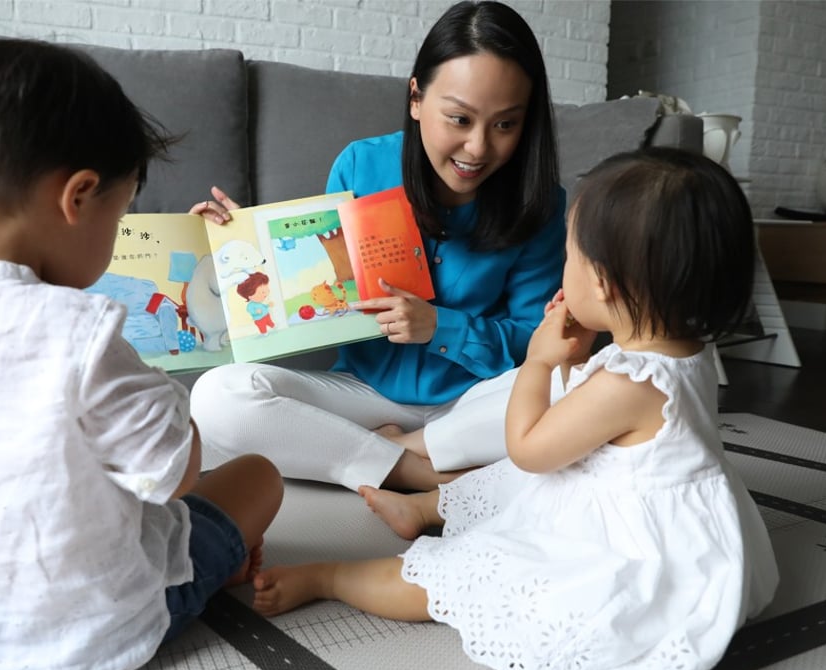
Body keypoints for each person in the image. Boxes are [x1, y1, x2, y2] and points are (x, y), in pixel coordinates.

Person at [248, 147, 780, 670]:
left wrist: (541, 362)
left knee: (467, 575)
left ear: (603, 284)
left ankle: (331, 577)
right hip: (671, 516)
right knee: (504, 484)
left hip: (627, 543)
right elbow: (595, 428)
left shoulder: (626, 383)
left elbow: (528, 449)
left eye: (570, 256)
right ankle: (424, 506)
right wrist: (572, 359)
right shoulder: (686, 351)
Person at [0, 39, 284, 670]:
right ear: (78, 196)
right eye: (120, 214)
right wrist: (161, 388)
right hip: (100, 631)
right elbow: (177, 472)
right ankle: (209, 575)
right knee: (257, 475)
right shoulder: (79, 331)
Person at [189, 0, 566, 492]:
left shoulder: (539, 203)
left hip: (473, 402)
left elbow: (535, 341)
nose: (478, 147)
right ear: (416, 99)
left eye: (505, 125)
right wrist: (248, 247)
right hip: (362, 395)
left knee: (576, 385)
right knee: (219, 395)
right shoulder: (361, 166)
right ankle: (414, 470)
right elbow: (324, 295)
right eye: (459, 119)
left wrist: (440, 327)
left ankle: (390, 449)